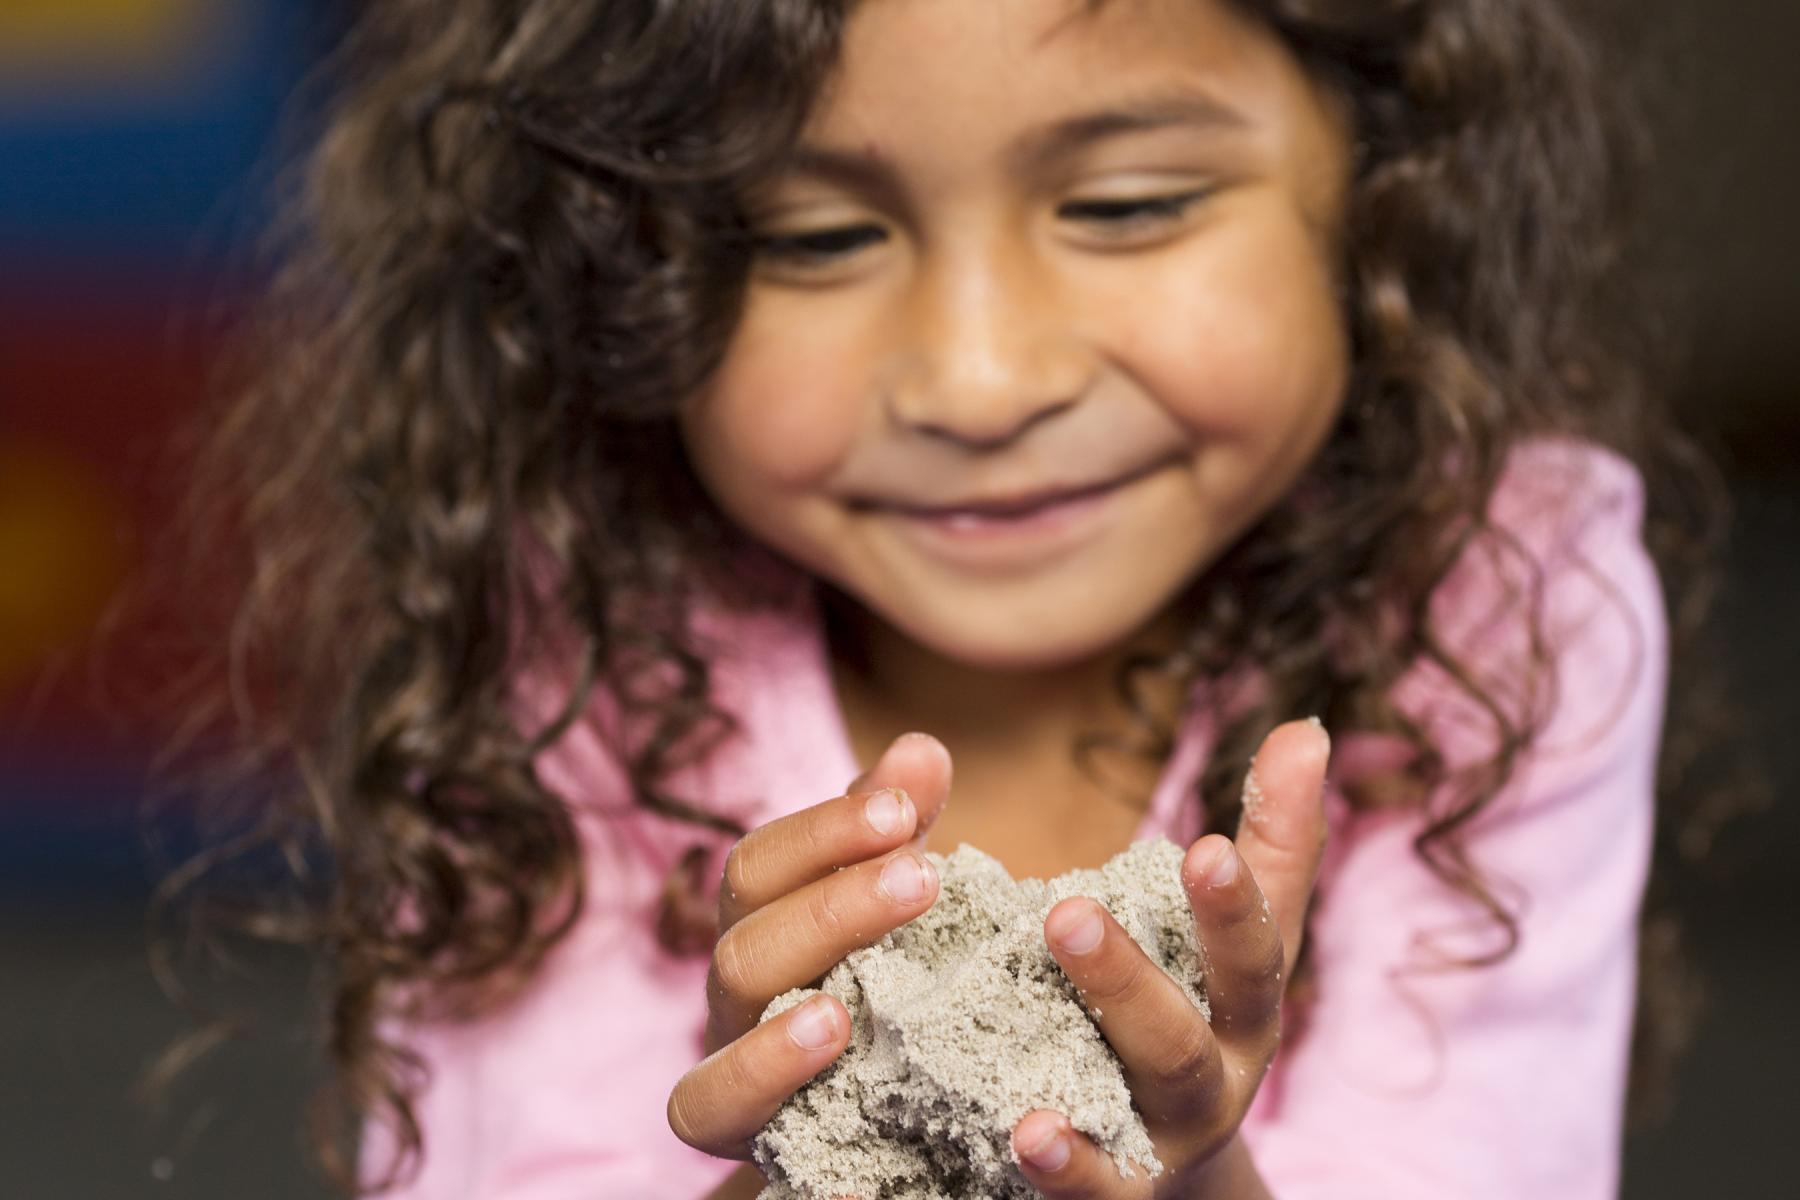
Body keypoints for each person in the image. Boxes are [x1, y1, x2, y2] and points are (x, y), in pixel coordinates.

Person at [164, 0, 1717, 1196]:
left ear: (1380, 185)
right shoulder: (569, 634)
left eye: (1125, 206)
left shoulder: (1494, 608)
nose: (979, 379)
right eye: (814, 236)